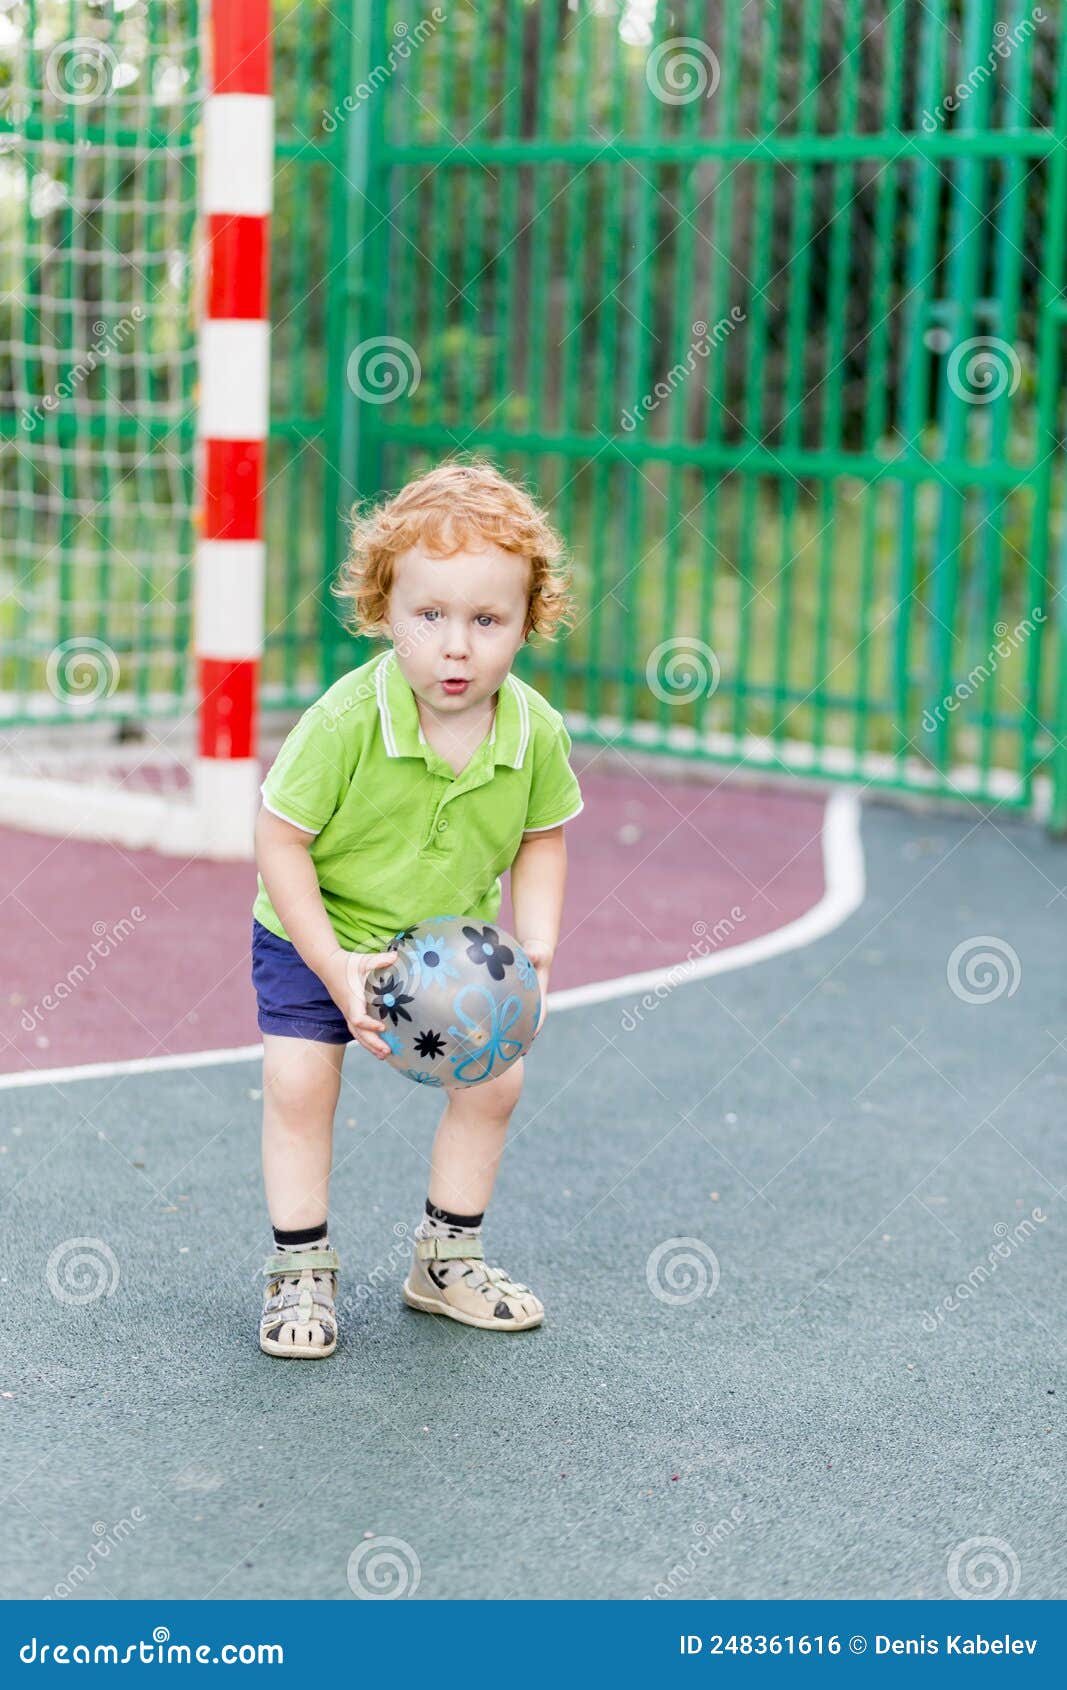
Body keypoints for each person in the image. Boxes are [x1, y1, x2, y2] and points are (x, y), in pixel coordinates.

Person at [250, 458, 584, 1358]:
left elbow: (542, 836)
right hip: (312, 932)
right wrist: (331, 965)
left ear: (528, 622)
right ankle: (300, 1273)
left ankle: (444, 1263)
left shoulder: (534, 731)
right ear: (384, 612)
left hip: (441, 955)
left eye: (487, 620)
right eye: (428, 616)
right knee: (298, 1082)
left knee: (497, 1083)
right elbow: (279, 839)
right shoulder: (345, 720)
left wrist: (539, 950)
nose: (456, 646)